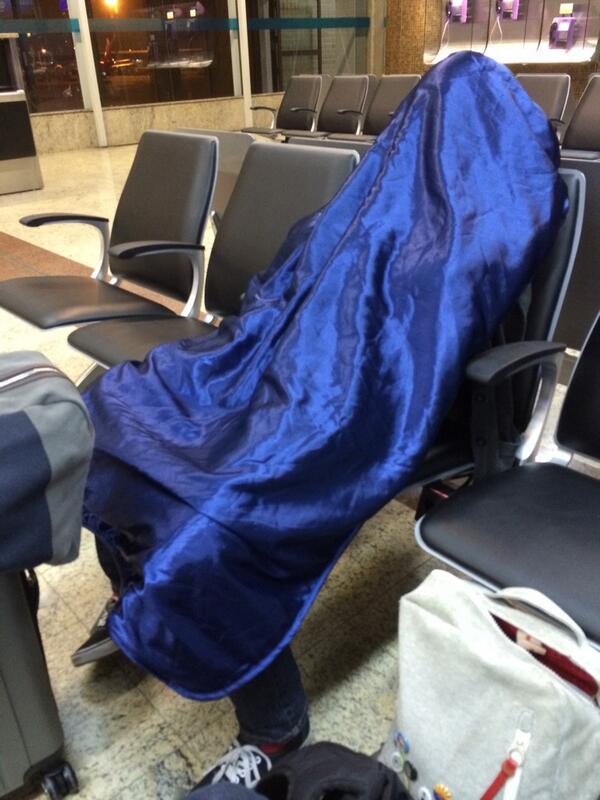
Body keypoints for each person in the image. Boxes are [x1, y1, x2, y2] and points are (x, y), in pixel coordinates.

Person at [72, 51, 566, 788]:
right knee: (110, 417)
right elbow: (292, 286)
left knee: (221, 513)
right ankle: (144, 595)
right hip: (276, 368)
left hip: (357, 405)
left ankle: (273, 726)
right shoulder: (369, 206)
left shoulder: (481, 229)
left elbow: (421, 335)